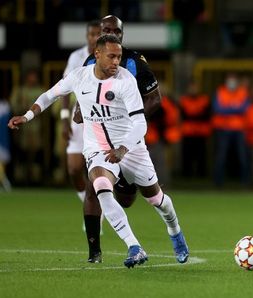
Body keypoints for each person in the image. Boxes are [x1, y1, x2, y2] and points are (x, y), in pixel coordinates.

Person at [8, 34, 188, 268]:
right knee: (101, 186)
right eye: (112, 56)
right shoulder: (80, 76)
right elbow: (50, 95)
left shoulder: (126, 81)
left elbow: (140, 123)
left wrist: (122, 149)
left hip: (130, 148)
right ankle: (134, 246)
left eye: (119, 57)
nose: (116, 62)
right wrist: (27, 115)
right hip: (98, 149)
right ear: (97, 55)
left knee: (156, 199)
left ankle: (175, 232)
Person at [75, 15, 171, 264]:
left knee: (128, 199)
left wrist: (129, 123)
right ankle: (94, 252)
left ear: (122, 34)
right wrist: (78, 110)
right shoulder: (91, 60)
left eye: (114, 30)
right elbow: (83, 89)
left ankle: (126, 183)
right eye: (105, 30)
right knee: (93, 188)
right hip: (100, 138)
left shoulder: (135, 62)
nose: (110, 33)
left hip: (128, 139)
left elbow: (155, 99)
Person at [60, 20, 101, 207]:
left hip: (102, 120)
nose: (94, 38)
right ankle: (89, 204)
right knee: (74, 169)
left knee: (100, 172)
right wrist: (64, 118)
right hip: (79, 119)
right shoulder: (76, 57)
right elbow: (64, 89)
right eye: (91, 34)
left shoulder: (111, 56)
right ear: (87, 36)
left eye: (97, 34)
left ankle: (96, 209)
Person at [212, 72, 250, 187]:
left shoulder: (243, 92)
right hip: (223, 129)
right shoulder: (220, 91)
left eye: (233, 79)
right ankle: (218, 183)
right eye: (229, 79)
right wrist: (234, 108)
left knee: (243, 156)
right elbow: (218, 109)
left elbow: (244, 109)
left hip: (239, 130)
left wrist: (227, 108)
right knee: (221, 157)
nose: (231, 82)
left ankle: (246, 183)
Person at [179, 79, 211, 178]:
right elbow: (184, 115)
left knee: (201, 155)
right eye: (191, 87)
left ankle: (201, 175)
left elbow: (206, 115)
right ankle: (187, 175)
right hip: (188, 131)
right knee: (187, 155)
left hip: (201, 132)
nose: (193, 89)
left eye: (195, 87)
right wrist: (197, 113)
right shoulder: (184, 100)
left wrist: (192, 114)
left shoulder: (204, 99)